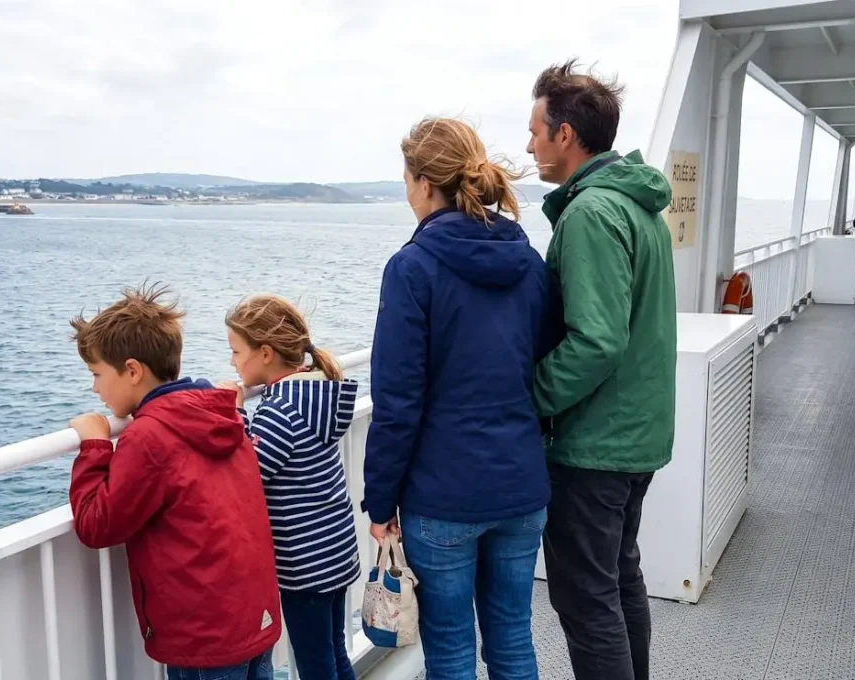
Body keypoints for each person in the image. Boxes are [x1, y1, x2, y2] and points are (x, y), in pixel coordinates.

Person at [362, 117, 555, 680]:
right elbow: (541, 358)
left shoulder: (412, 268)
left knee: (449, 652)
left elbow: (397, 403)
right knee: (514, 640)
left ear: (424, 182)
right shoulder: (528, 262)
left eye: (406, 178)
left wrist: (381, 503)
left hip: (443, 496)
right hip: (521, 486)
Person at [526, 59, 677, 680]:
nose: (529, 143)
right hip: (637, 435)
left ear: (566, 135)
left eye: (535, 129)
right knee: (619, 580)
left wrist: (531, 395)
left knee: (586, 599)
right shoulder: (638, 205)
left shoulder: (590, 214)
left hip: (594, 444)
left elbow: (596, 340)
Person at [67, 285, 281, 680]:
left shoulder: (149, 437)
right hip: (253, 615)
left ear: (132, 371)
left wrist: (96, 446)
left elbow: (98, 524)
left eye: (97, 374)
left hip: (204, 636)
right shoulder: (218, 413)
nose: (94, 388)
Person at [219, 295, 360, 680]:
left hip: (305, 564)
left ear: (265, 353)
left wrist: (235, 413)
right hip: (334, 551)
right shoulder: (316, 395)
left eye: (236, 351)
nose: (232, 362)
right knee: (333, 651)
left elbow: (249, 473)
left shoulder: (281, 410)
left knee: (315, 663)